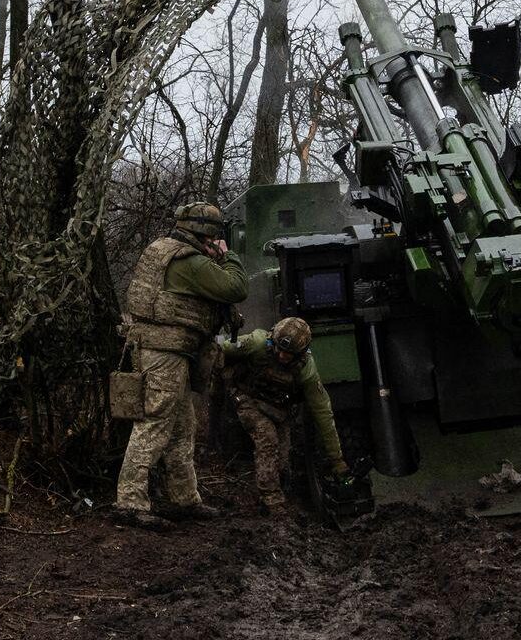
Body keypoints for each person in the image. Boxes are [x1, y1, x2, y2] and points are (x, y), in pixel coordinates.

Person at [112, 202, 246, 530]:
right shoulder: (190, 262)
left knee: (183, 426)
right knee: (154, 422)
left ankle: (184, 498)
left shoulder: (166, 249)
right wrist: (228, 256)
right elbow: (236, 288)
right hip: (164, 353)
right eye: (213, 236)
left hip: (169, 351)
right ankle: (129, 502)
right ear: (206, 234)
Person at [219, 317, 349, 515]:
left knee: (281, 459)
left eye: (288, 354)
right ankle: (273, 502)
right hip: (247, 399)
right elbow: (223, 348)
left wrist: (337, 460)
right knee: (267, 438)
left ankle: (276, 492)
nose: (281, 356)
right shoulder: (257, 343)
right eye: (279, 349)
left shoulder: (306, 370)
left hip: (278, 409)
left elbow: (323, 414)